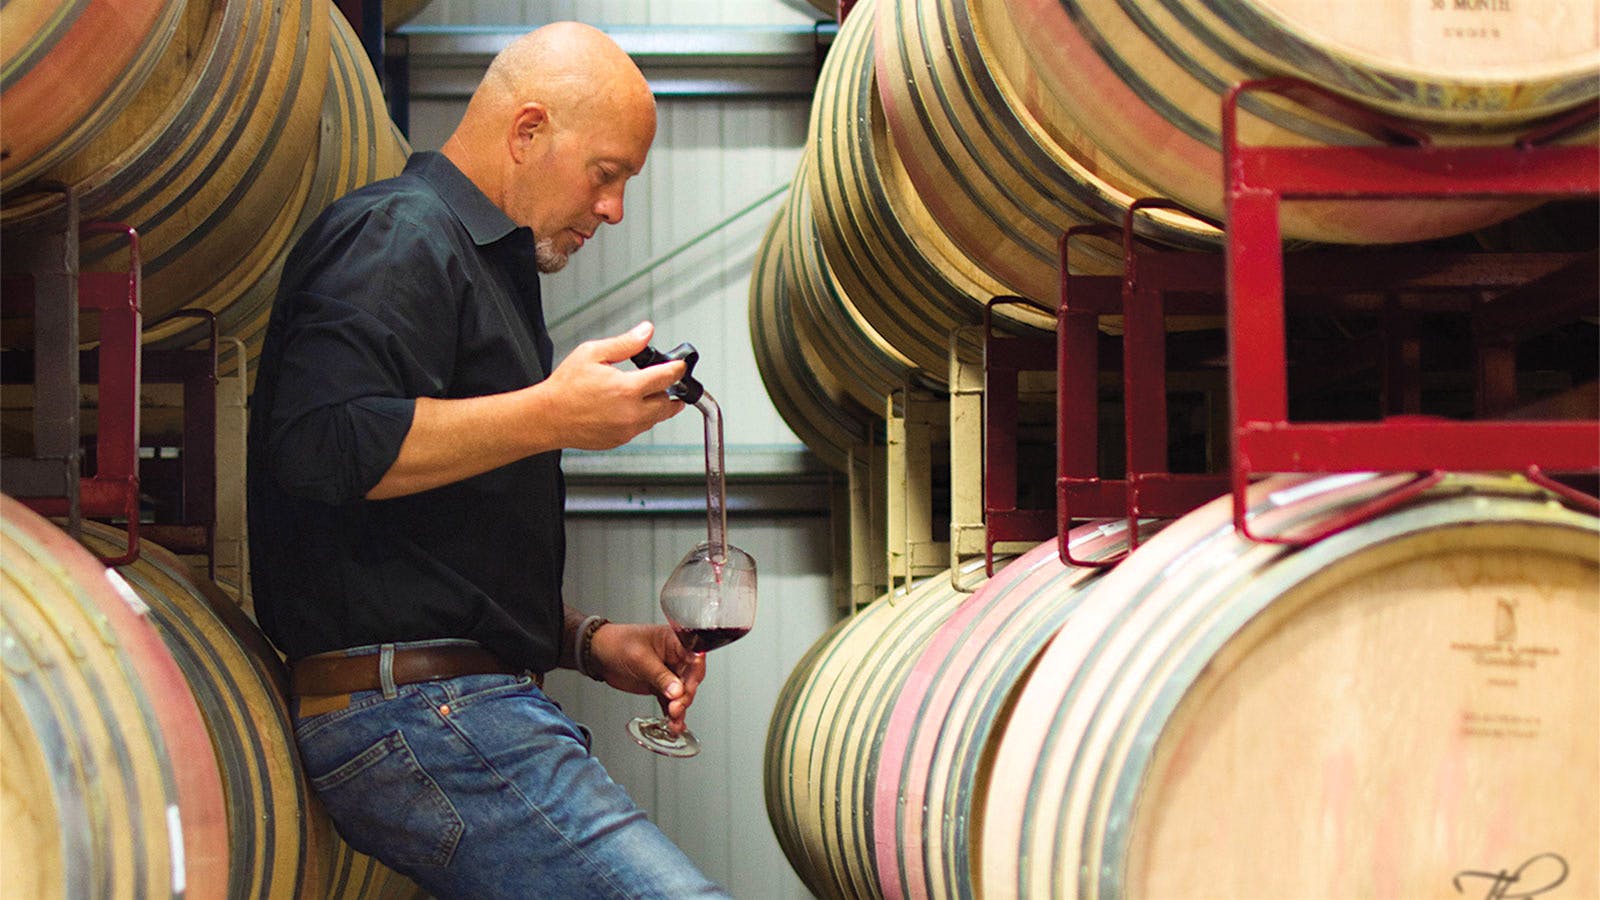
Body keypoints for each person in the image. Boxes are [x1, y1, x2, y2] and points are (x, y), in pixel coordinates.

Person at [246, 21, 731, 899]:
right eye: (608, 173)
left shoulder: (485, 268)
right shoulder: (399, 234)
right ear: (529, 131)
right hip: (419, 713)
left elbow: (431, 551)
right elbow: (318, 446)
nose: (615, 209)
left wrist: (588, 642)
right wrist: (551, 413)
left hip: (455, 706)